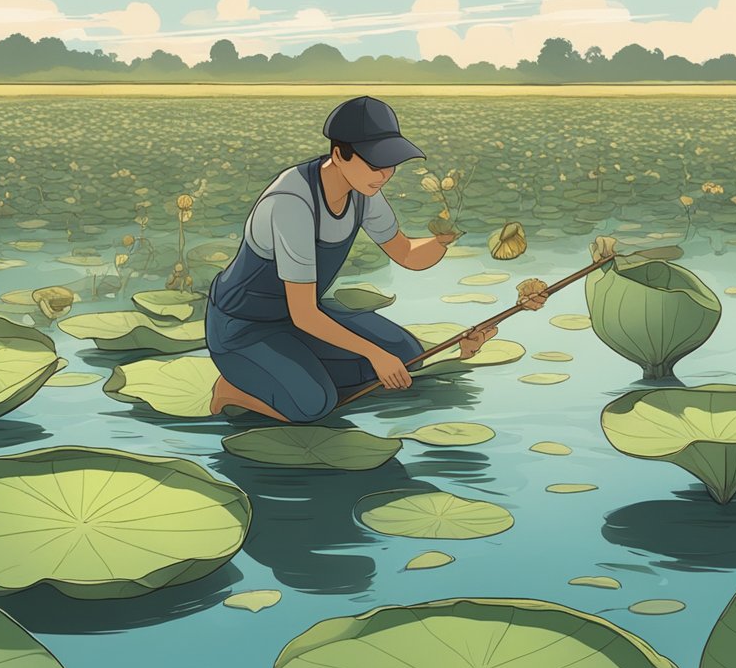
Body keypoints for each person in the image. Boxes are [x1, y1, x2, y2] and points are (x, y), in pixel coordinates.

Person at [206, 96, 545, 423]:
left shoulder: (363, 191)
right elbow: (305, 313)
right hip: (242, 328)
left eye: (390, 165)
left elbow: (407, 253)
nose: (383, 175)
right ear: (339, 154)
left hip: (297, 321)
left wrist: (447, 238)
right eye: (374, 164)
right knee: (313, 405)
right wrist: (374, 354)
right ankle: (232, 389)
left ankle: (298, 369)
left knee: (407, 355)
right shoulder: (290, 202)